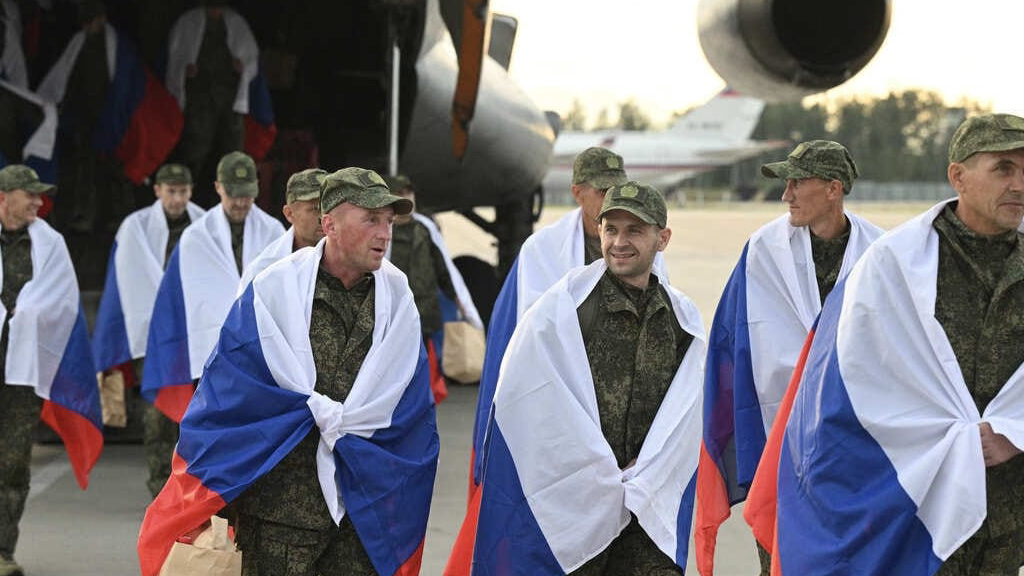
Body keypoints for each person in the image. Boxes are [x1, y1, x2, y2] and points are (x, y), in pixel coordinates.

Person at [749, 113, 1024, 576]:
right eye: (1003, 168)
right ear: (958, 176)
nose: (1018, 184)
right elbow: (850, 381)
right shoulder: (894, 265)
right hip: (913, 506)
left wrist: (1016, 431)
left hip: (1008, 512)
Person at [138, 167, 439, 576]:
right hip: (280, 513)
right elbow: (229, 392)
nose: (385, 233)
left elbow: (411, 409)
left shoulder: (398, 300)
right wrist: (216, 494)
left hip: (362, 512)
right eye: (371, 219)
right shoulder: (274, 291)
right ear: (329, 224)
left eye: (389, 221)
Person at [446, 146, 663, 575]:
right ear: (578, 192)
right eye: (601, 191)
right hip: (560, 416)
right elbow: (524, 346)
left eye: (617, 188)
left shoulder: (637, 247)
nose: (611, 198)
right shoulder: (541, 253)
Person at [471, 182, 703, 575]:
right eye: (611, 229)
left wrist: (651, 468)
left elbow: (686, 412)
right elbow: (527, 402)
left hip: (647, 507)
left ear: (662, 239)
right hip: (574, 510)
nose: (619, 242)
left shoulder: (681, 320)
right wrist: (596, 472)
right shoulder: (564, 310)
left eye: (634, 231)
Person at [694, 140, 883, 576]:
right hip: (778, 445)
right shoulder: (763, 252)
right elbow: (730, 343)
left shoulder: (880, 253)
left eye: (798, 183)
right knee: (780, 558)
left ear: (833, 189)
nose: (786, 195)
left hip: (854, 446)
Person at [0, 165, 103, 576]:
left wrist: (28, 313)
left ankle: (2, 550)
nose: (38, 202)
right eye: (29, 195)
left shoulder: (51, 242)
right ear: (4, 197)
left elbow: (63, 300)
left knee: (12, 464)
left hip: (23, 373)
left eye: (39, 195)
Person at [142, 151, 283, 432]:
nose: (241, 202)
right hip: (210, 353)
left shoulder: (274, 232)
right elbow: (177, 300)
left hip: (262, 354)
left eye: (247, 194)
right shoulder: (196, 237)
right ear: (218, 187)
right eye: (233, 195)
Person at [92, 163, 205, 497]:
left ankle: (192, 491)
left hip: (197, 333)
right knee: (158, 413)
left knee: (197, 414)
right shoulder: (135, 227)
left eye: (183, 191)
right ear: (157, 191)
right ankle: (160, 487)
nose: (177, 199)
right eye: (171, 191)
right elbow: (126, 283)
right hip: (153, 336)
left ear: (192, 191)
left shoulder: (205, 224)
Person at [384, 174, 482, 403]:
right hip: (393, 310)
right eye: (400, 193)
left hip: (424, 310)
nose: (407, 197)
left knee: (422, 363)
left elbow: (443, 269)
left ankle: (421, 401)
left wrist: (460, 302)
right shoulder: (383, 230)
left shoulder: (425, 228)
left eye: (409, 192)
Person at [166, 0, 259, 206]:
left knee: (232, 151)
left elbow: (250, 58)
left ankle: (232, 200)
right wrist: (185, 69)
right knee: (195, 149)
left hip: (229, 99)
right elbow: (176, 56)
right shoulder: (189, 22)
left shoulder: (235, 23)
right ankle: (185, 199)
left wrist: (241, 66)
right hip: (201, 98)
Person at [238, 167, 326, 290]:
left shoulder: (351, 258)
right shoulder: (263, 271)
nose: (325, 217)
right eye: (315, 209)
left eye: (329, 207)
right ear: (289, 214)